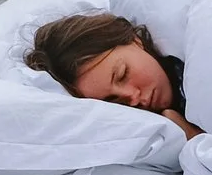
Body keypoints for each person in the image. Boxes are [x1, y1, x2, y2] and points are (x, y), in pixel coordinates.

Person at [25, 13, 197, 140]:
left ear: (135, 40)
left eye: (123, 74)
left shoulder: (198, 63)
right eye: (114, 100)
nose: (133, 97)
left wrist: (193, 136)